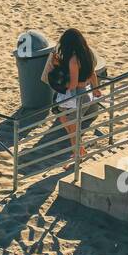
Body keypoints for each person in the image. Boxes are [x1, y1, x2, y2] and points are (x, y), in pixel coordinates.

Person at [41, 29, 102, 165]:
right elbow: (92, 73)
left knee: (72, 130)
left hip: (76, 97)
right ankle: (80, 151)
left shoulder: (73, 60)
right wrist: (96, 88)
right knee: (70, 126)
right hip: (86, 94)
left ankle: (77, 157)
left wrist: (59, 83)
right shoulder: (87, 53)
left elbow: (73, 84)